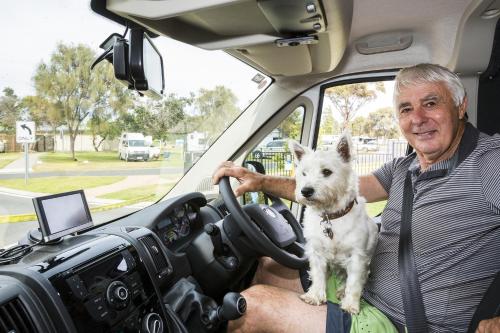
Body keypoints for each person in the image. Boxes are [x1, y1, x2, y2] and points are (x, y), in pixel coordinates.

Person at [212, 63, 500, 333]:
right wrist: (260, 181)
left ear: (461, 106)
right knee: (267, 266)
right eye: (406, 109)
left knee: (252, 307)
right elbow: (330, 190)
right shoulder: (403, 167)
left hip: (403, 321)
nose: (418, 119)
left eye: (431, 103)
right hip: (362, 285)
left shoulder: (489, 162)